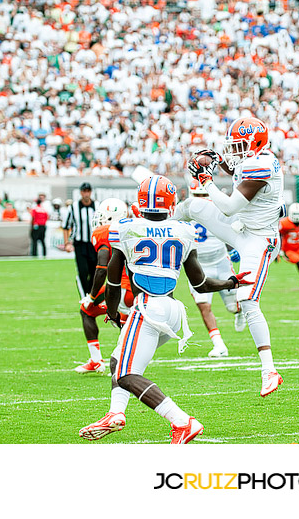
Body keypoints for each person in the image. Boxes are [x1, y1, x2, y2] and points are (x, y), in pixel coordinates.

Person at [79, 175, 253, 443]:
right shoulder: (183, 231)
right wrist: (231, 281)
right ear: (170, 202)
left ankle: (182, 421)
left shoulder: (125, 228)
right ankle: (116, 413)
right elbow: (201, 283)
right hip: (172, 310)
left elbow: (113, 282)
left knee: (125, 374)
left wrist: (112, 313)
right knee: (118, 359)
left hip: (148, 308)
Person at [176, 115, 285, 397]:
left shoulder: (262, 165)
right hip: (244, 231)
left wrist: (207, 180)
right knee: (194, 208)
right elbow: (235, 168)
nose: (233, 151)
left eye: (238, 145)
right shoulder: (252, 158)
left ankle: (269, 370)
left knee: (247, 300)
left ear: (255, 144)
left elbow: (228, 207)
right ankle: (159, 226)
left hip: (260, 241)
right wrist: (216, 160)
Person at [186, 181, 245, 358]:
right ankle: (219, 344)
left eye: (204, 195)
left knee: (232, 307)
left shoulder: (220, 209)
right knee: (204, 305)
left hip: (221, 263)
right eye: (198, 196)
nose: (202, 200)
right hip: (198, 266)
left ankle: (238, 312)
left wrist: (238, 247)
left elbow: (238, 228)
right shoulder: (183, 212)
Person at [74, 198, 132, 374]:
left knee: (87, 310)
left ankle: (102, 361)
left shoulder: (104, 231)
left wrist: (91, 297)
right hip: (138, 287)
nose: (99, 219)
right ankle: (102, 361)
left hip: (119, 287)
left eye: (102, 216)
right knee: (126, 321)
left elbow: (101, 269)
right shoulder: (132, 226)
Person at [62, 182, 98, 298]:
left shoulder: (97, 206)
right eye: (84, 191)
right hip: (80, 244)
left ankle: (91, 296)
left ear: (90, 192)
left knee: (95, 272)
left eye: (88, 191)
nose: (86, 194)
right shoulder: (73, 207)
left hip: (94, 244)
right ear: (81, 192)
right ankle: (85, 296)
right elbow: (66, 226)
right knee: (83, 271)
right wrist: (67, 243)